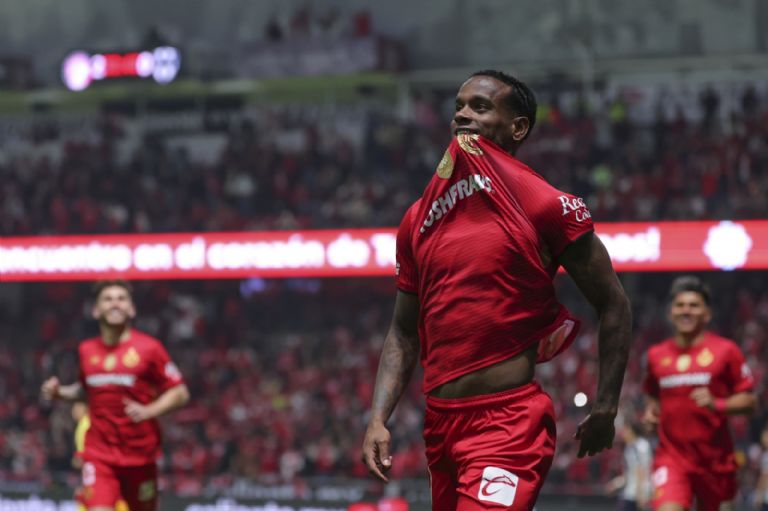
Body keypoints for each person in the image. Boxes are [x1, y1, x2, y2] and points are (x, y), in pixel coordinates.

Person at [361, 69, 632, 510]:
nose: (463, 115)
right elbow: (403, 332)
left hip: (507, 424)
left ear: (517, 127)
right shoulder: (416, 220)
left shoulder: (545, 204)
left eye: (480, 107)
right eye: (458, 107)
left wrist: (606, 405)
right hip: (440, 427)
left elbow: (613, 302)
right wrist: (378, 418)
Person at [41, 280, 190, 511]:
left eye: (121, 299)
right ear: (96, 310)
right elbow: (87, 391)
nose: (115, 304)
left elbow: (180, 392)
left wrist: (150, 410)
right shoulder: (86, 350)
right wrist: (60, 392)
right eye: (108, 299)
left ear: (132, 309)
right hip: (99, 455)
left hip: (141, 456)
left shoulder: (149, 348)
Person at [643, 276, 756, 511]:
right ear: (670, 313)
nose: (686, 310)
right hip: (671, 459)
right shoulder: (656, 355)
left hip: (716, 463)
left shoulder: (726, 351)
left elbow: (750, 401)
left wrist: (718, 404)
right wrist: (651, 412)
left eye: (694, 305)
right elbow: (652, 395)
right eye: (680, 305)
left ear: (707, 314)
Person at [71, 402, 128, 511]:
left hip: (98, 474)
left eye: (77, 406)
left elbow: (84, 458)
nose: (73, 411)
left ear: (85, 407)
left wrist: (76, 460)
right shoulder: (90, 422)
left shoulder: (85, 425)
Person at [606, 421, 653, 511]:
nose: (623, 434)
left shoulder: (641, 446)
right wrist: (616, 484)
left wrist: (640, 495)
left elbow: (641, 471)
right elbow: (630, 473)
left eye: (625, 430)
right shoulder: (629, 447)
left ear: (631, 431)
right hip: (630, 494)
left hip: (638, 495)